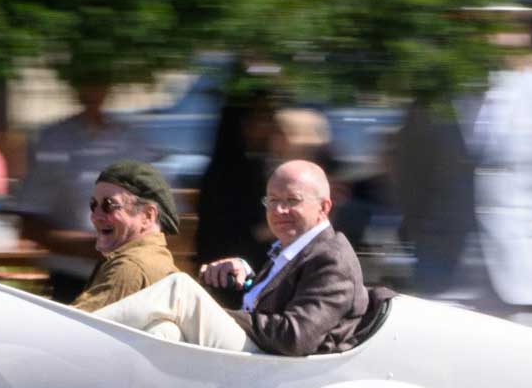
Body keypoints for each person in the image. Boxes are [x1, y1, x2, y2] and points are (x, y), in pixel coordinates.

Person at [399, 7, 532, 327]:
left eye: (507, 27)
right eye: (483, 26)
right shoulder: (433, 96)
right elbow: (411, 175)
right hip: (445, 272)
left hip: (522, 275)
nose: (496, 37)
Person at [91, 160, 365, 354]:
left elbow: (295, 336)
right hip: (259, 359)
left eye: (292, 201)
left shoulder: (331, 257)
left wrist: (219, 316)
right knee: (163, 331)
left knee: (180, 290)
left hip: (271, 366)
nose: (279, 210)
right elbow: (280, 298)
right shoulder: (292, 250)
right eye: (272, 201)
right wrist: (248, 280)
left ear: (324, 207)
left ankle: (77, 333)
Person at [20, 61, 154, 300]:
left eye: (99, 80)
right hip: (71, 276)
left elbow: (157, 216)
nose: (93, 89)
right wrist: (91, 246)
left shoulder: (131, 142)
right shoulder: (54, 140)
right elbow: (30, 223)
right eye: (87, 80)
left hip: (125, 274)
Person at [190, 75, 285, 269]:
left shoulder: (255, 166)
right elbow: (248, 234)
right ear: (242, 124)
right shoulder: (229, 175)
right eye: (264, 117)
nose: (272, 126)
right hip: (233, 276)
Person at [69, 159, 179, 311]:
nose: (95, 216)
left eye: (109, 205)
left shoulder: (130, 268)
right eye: (93, 205)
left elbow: (71, 327)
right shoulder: (154, 258)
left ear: (147, 216)